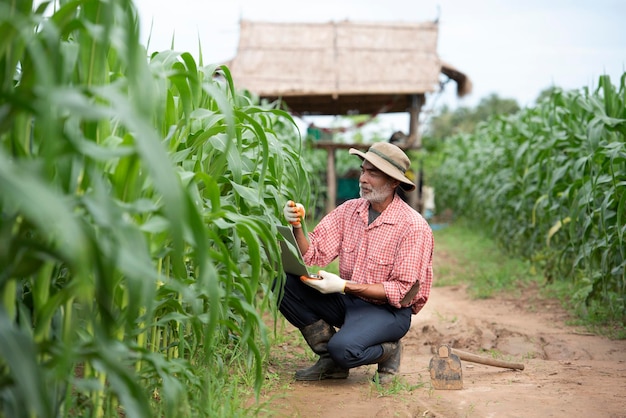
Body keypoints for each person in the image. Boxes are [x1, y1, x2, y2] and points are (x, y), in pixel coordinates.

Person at [279, 141, 434, 384]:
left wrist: (343, 286)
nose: (363, 178)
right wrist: (297, 225)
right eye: (363, 170)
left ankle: (389, 351)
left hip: (389, 312)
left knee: (345, 350)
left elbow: (401, 292)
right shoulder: (349, 211)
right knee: (282, 283)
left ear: (394, 182)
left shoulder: (413, 226)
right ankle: (329, 361)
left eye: (373, 173)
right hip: (351, 302)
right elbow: (313, 253)